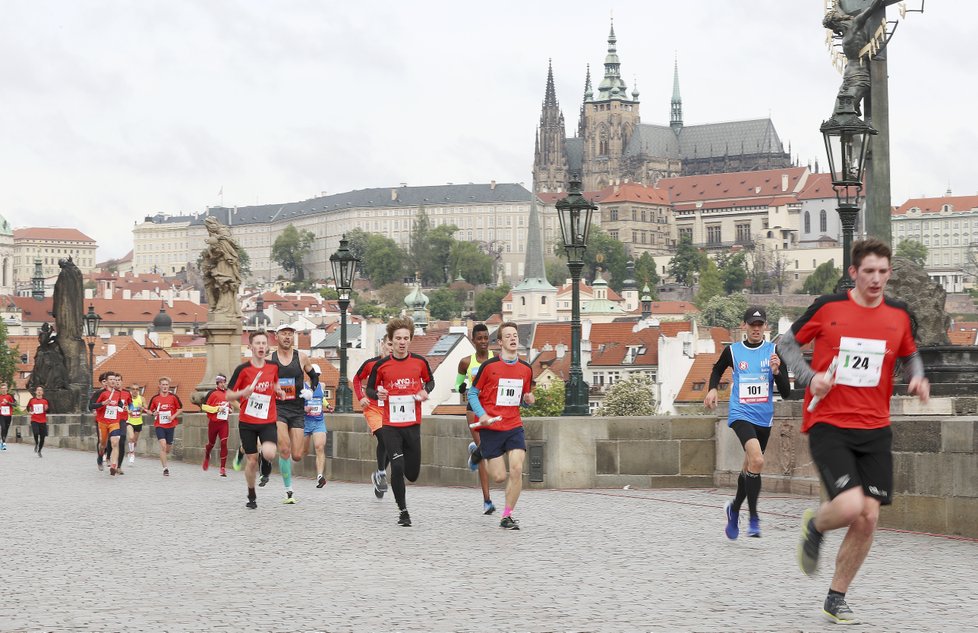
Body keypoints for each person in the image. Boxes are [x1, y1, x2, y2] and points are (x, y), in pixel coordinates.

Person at [779, 238, 929, 626]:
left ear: (889, 272)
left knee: (868, 518)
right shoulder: (829, 308)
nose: (876, 279)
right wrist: (811, 378)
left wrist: (917, 377)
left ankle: (836, 597)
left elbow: (910, 352)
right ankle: (814, 524)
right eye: (868, 272)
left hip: (876, 429)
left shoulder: (898, 314)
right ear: (853, 273)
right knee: (848, 507)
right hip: (830, 424)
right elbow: (786, 344)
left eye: (882, 272)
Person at [704, 307, 792, 539]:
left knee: (750, 467)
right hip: (741, 414)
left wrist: (777, 373)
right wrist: (713, 389)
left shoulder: (774, 352)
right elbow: (717, 369)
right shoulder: (733, 351)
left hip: (764, 417)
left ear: (765, 327)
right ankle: (753, 518)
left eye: (759, 324)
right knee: (758, 459)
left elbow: (787, 393)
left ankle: (733, 510)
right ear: (744, 326)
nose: (756, 328)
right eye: (752, 324)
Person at [465, 322, 535, 530]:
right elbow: (472, 393)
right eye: (508, 336)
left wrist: (528, 401)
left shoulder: (526, 369)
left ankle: (507, 515)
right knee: (498, 477)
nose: (513, 339)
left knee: (516, 468)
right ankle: (478, 453)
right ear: (500, 342)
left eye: (515, 335)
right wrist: (483, 414)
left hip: (513, 426)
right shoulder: (489, 367)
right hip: (492, 428)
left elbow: (521, 399)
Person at [366, 317, 434, 527]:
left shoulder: (420, 362)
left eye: (406, 338)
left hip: (412, 425)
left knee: (411, 473)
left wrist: (425, 390)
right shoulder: (381, 365)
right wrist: (379, 393)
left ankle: (402, 481)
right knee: (396, 465)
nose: (402, 342)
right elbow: (370, 390)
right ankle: (403, 511)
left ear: (410, 340)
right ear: (391, 341)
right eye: (398, 338)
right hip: (391, 425)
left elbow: (430, 381)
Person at [227, 331, 285, 509]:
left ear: (267, 347)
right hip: (248, 421)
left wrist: (279, 391)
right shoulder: (242, 370)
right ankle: (251, 492)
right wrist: (242, 393)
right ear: (250, 347)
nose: (261, 346)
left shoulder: (273, 366)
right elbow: (229, 394)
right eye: (257, 343)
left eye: (263, 343)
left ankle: (265, 463)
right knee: (251, 460)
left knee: (269, 453)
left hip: (267, 419)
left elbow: (275, 383)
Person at [270, 323, 319, 504]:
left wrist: (311, 391)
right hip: (278, 408)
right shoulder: (270, 358)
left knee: (297, 455)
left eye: (290, 334)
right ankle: (288, 490)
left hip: (297, 409)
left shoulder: (302, 357)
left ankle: (267, 453)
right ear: (277, 336)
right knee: (284, 449)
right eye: (284, 333)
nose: (287, 337)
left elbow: (314, 377)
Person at [457, 323, 496, 515]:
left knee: (487, 450)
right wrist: (462, 387)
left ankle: (475, 451)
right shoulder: (466, 362)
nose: (483, 342)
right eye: (479, 338)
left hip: (492, 408)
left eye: (486, 338)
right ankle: (487, 500)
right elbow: (458, 384)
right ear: (473, 340)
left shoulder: (496, 359)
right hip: (474, 408)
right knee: (486, 454)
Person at [353, 336, 392, 498]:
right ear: (382, 345)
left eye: (394, 345)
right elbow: (357, 379)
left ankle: (379, 474)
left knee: (392, 444)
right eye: (389, 344)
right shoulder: (371, 364)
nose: (391, 348)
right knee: (385, 438)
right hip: (373, 409)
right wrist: (361, 396)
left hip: (391, 410)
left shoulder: (400, 365)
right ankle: (382, 473)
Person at [92, 374, 127, 475]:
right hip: (103, 422)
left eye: (114, 380)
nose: (113, 381)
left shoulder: (117, 393)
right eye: (111, 379)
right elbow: (92, 405)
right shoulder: (101, 393)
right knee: (102, 444)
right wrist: (103, 404)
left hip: (114, 422)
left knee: (115, 442)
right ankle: (100, 457)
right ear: (106, 382)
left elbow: (119, 403)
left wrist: (123, 407)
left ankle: (113, 465)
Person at [148, 377, 183, 477]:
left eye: (166, 385)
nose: (165, 387)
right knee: (163, 446)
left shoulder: (173, 397)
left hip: (170, 425)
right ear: (159, 386)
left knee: (167, 449)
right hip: (159, 425)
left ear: (169, 386)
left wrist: (172, 416)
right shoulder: (155, 398)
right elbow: (149, 411)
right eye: (163, 385)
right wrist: (153, 413)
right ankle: (165, 468)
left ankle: (165, 458)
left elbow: (180, 409)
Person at [301, 367, 329, 488]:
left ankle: (319, 476)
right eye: (314, 374)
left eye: (318, 374)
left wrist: (328, 405)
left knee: (319, 447)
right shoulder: (302, 386)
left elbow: (322, 398)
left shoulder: (322, 385)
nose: (316, 376)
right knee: (303, 451)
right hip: (305, 422)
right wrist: (304, 409)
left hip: (319, 421)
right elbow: (296, 403)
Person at [201, 374, 231, 477]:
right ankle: (207, 454)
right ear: (217, 383)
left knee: (224, 443)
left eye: (224, 382)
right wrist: (217, 409)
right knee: (211, 444)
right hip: (213, 423)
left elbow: (229, 407)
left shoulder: (227, 394)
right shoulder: (212, 393)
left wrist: (229, 410)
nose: (223, 384)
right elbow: (204, 407)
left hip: (224, 423)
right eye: (221, 382)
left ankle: (222, 468)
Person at [27, 386, 50, 458]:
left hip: (43, 421)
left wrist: (46, 409)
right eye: (38, 390)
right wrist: (30, 412)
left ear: (42, 392)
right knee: (36, 433)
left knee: (42, 437)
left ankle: (39, 450)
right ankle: (36, 443)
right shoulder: (32, 400)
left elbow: (49, 410)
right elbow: (28, 408)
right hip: (34, 420)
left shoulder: (45, 401)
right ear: (36, 392)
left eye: (40, 390)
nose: (39, 391)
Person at [126, 383, 146, 465]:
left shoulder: (141, 398)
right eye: (133, 389)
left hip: (138, 422)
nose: (135, 391)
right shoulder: (128, 398)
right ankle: (132, 453)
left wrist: (142, 408)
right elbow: (124, 407)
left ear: (139, 390)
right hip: (129, 421)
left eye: (137, 389)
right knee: (131, 437)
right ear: (130, 390)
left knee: (135, 441)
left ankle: (131, 451)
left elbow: (146, 407)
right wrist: (128, 411)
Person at [0, 381, 15, 451]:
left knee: (6, 428)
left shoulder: (9, 396)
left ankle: (2, 441)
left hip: (8, 415)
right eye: (2, 388)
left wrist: (8, 402)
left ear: (7, 389)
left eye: (4, 388)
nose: (3, 389)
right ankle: (4, 442)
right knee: (3, 427)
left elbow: (14, 404)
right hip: (1, 415)